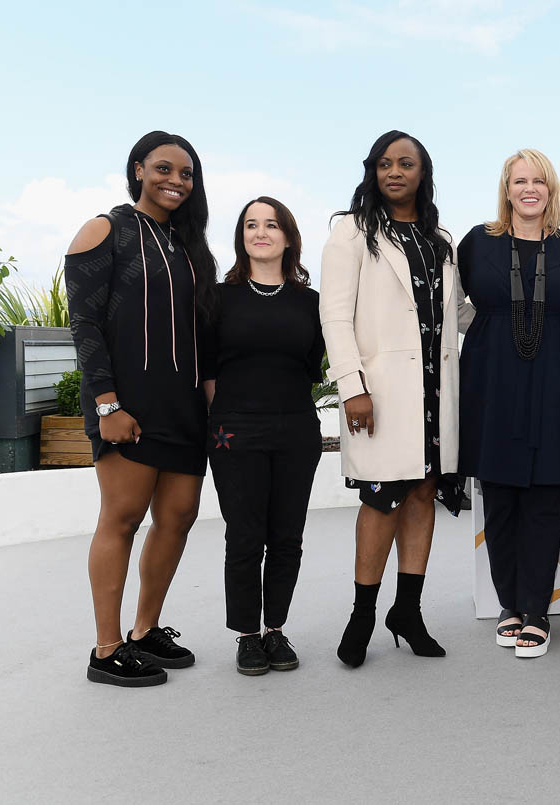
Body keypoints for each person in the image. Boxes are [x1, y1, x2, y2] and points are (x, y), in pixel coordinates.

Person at [66, 131, 218, 687]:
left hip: (184, 407)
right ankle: (106, 650)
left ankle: (144, 630)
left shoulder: (189, 246)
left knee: (177, 517)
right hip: (126, 404)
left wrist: (213, 406)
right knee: (123, 518)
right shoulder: (105, 229)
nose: (176, 181)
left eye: (186, 173)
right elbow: (84, 324)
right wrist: (107, 404)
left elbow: (204, 336)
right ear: (137, 170)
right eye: (164, 169)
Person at [321, 131, 470, 668]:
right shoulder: (352, 231)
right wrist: (352, 387)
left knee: (423, 493)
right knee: (381, 498)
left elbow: (459, 312)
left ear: (422, 172)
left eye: (406, 163)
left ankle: (407, 611)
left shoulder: (441, 239)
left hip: (435, 391)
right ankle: (362, 614)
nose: (395, 172)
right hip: (381, 393)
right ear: (373, 171)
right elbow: (334, 315)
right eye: (385, 164)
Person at [458, 149, 560, 658]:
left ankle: (537, 610)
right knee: (500, 500)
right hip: (492, 384)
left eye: (538, 180)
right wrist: (483, 331)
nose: (529, 189)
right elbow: (450, 304)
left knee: (544, 502)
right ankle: (509, 606)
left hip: (556, 385)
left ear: (550, 188)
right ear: (506, 189)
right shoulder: (477, 242)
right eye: (520, 181)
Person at [204, 196, 324, 675]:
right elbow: (207, 369)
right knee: (245, 536)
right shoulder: (218, 298)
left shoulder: (311, 303)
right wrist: (225, 420)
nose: (261, 232)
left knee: (287, 536)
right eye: (251, 225)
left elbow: (312, 365)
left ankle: (275, 629)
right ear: (241, 237)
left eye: (271, 225)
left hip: (296, 428)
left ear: (288, 237)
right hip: (235, 431)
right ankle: (247, 636)